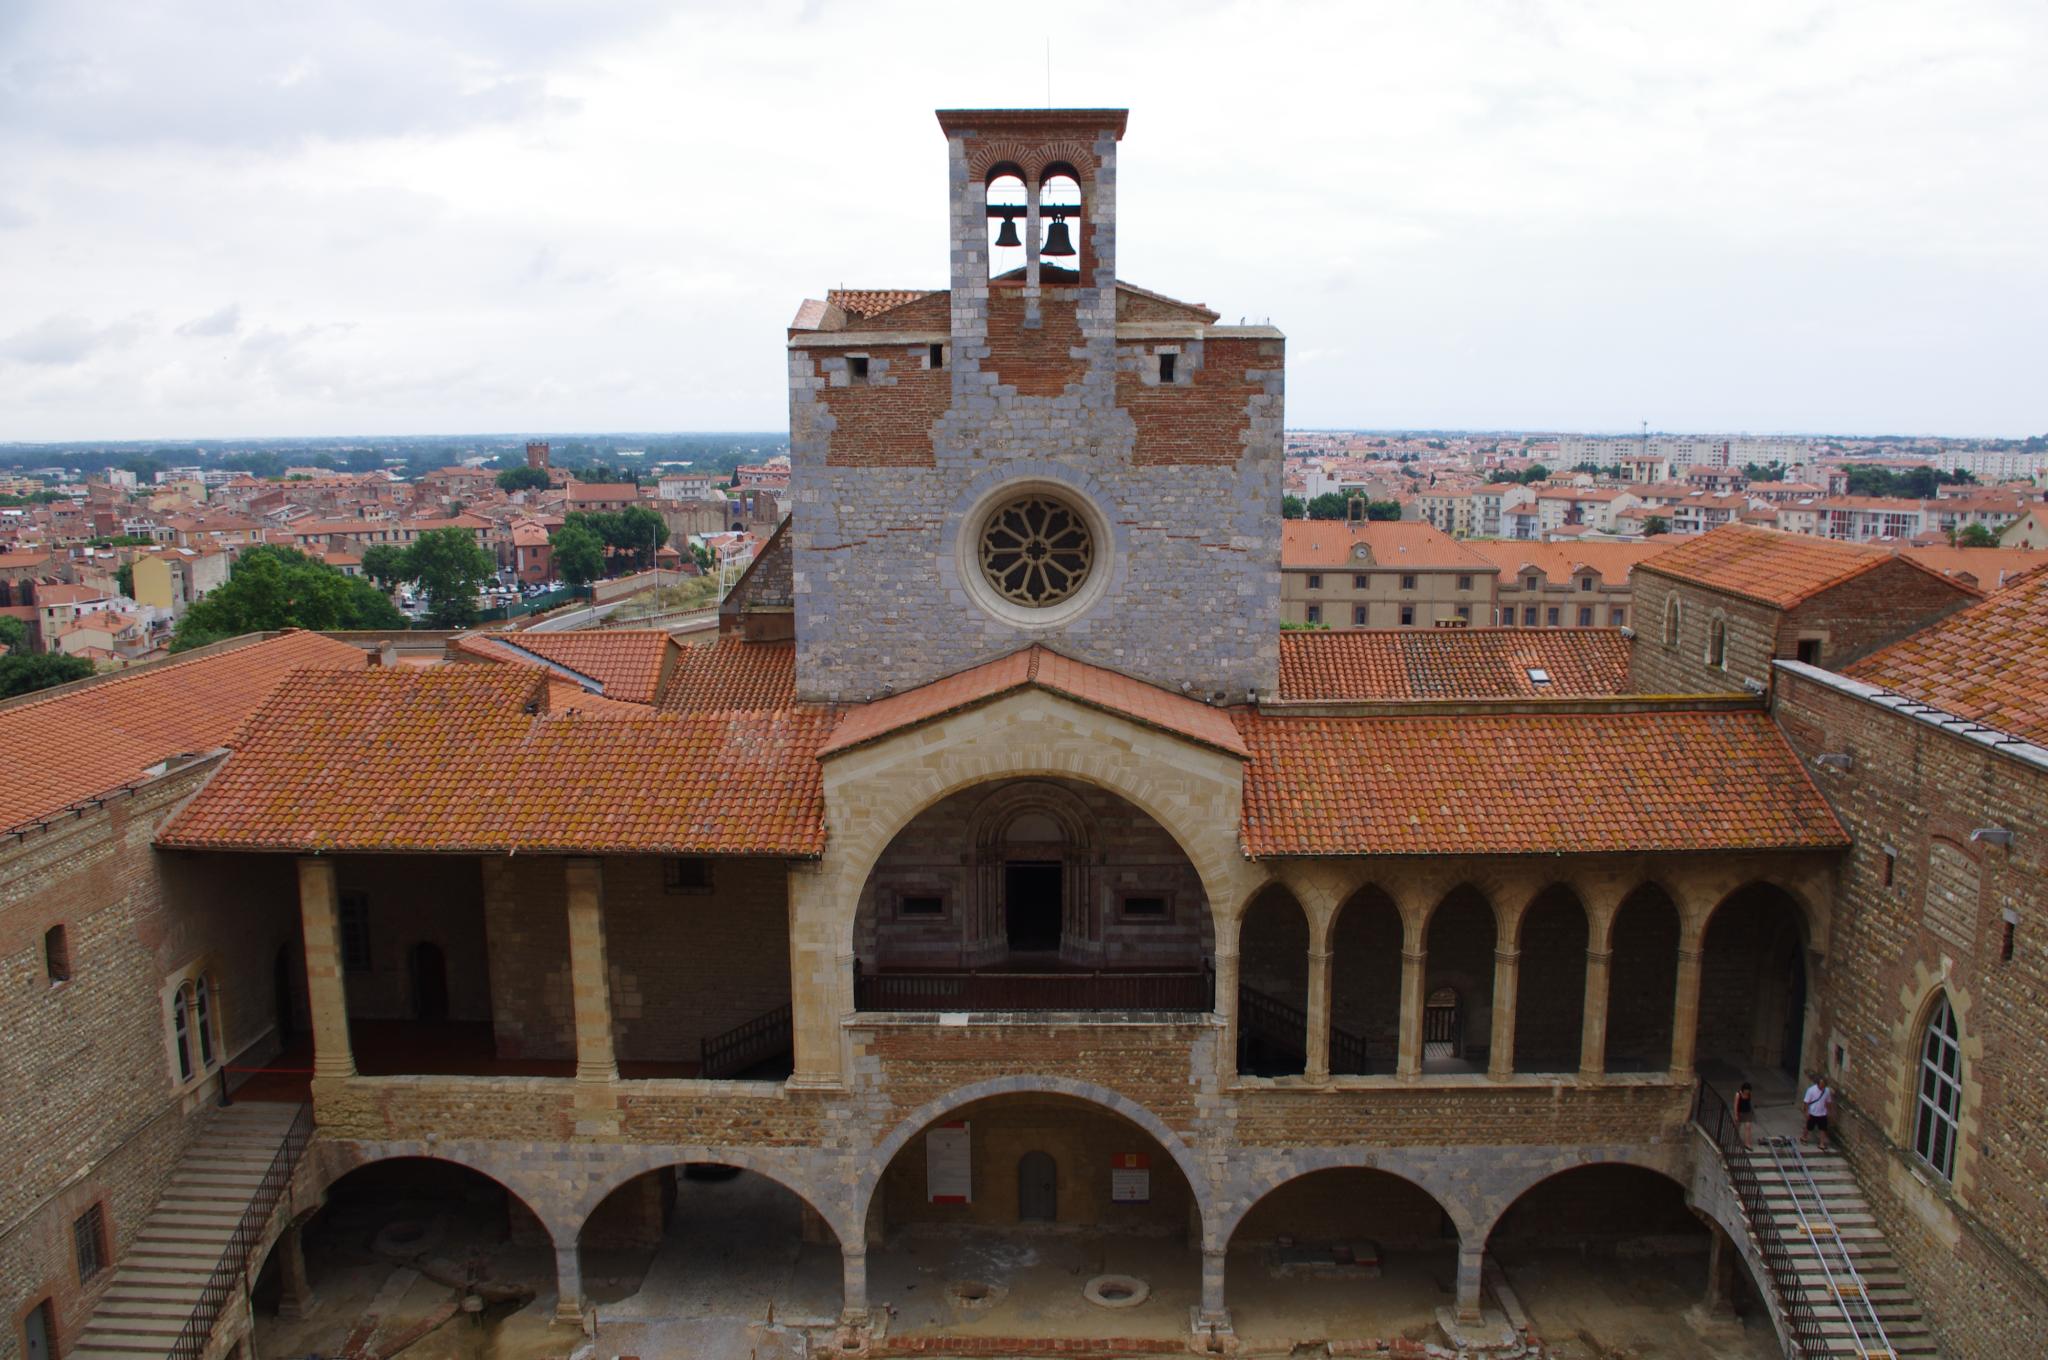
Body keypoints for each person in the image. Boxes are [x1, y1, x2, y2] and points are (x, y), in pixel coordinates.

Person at [1800, 1073, 1833, 1152]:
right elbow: (1806, 1102)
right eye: (1821, 1085)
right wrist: (1806, 1111)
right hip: (1813, 1112)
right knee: (1809, 1127)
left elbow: (1828, 1101)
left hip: (1822, 1113)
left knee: (1823, 1128)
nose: (1822, 1087)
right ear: (1818, 1084)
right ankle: (1804, 1137)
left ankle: (1821, 1143)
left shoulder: (1827, 1091)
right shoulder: (1811, 1090)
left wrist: (1829, 1111)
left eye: (1824, 1085)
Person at [1734, 1081, 1756, 1150]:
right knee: (1737, 1127)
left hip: (1747, 1112)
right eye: (1746, 1090)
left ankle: (1747, 1143)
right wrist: (1736, 1115)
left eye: (1748, 1091)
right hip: (1740, 1112)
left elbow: (1748, 1102)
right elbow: (1735, 1105)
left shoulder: (1749, 1094)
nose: (1747, 1092)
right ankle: (1736, 1140)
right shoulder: (1738, 1094)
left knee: (1748, 1127)